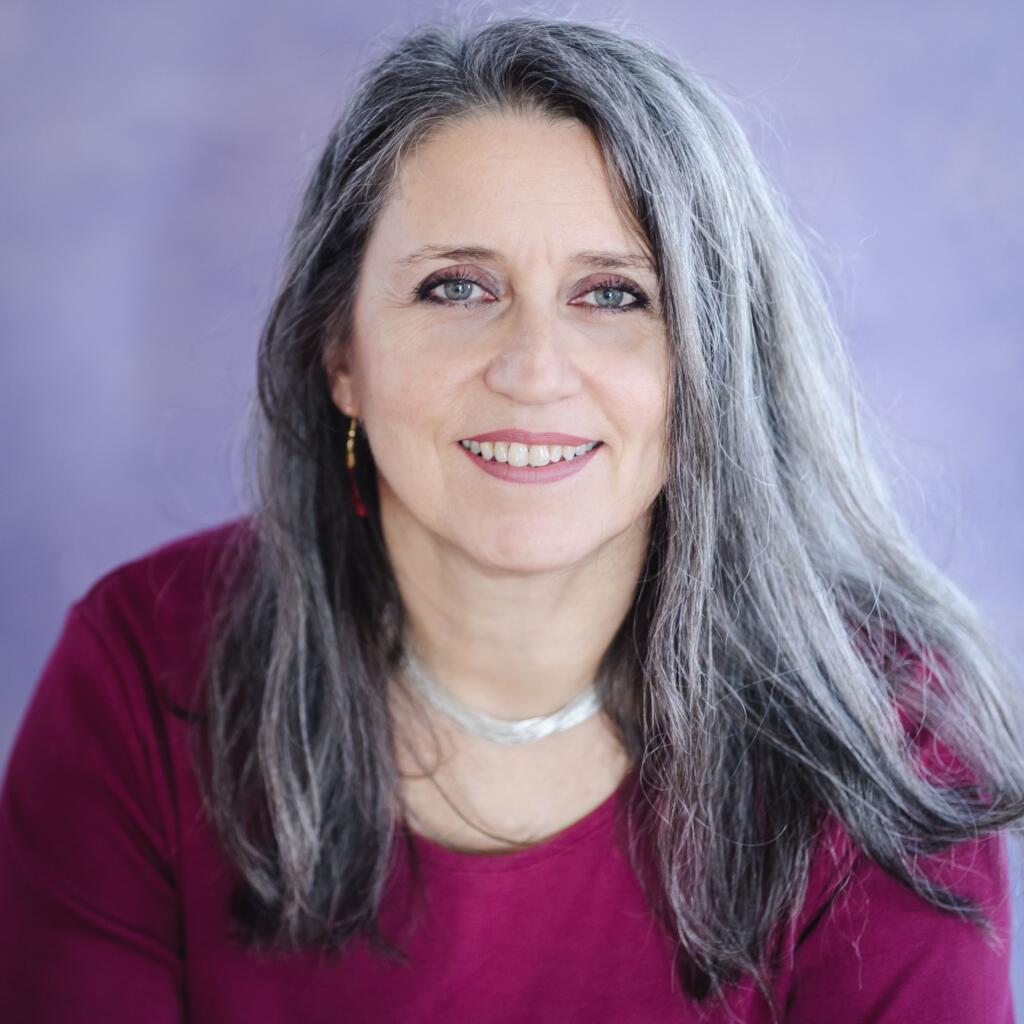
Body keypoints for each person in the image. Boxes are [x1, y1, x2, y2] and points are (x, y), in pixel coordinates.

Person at [1, 13, 1022, 1023]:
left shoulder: (888, 739)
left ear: (714, 361)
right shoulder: (146, 668)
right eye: (456, 287)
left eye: (614, 296)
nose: (533, 370)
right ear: (341, 352)